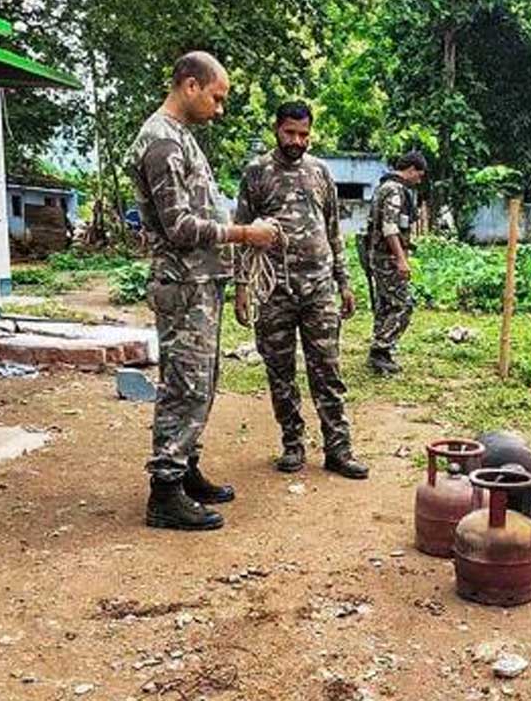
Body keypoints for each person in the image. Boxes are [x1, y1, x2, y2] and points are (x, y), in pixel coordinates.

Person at [125, 51, 279, 531]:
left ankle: (186, 468)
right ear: (190, 86)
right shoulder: (161, 145)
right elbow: (179, 226)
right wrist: (244, 234)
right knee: (184, 385)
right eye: (217, 97)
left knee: (203, 383)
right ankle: (165, 492)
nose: (220, 107)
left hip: (201, 281)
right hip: (183, 284)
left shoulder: (182, 140)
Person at [233, 101, 368, 479]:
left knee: (327, 370)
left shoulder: (320, 171)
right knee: (280, 370)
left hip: (320, 289)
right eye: (290, 133)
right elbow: (242, 232)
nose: (297, 141)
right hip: (273, 288)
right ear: (276, 129)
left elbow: (334, 231)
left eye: (304, 134)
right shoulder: (257, 173)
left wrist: (344, 282)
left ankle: (338, 449)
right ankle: (292, 444)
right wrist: (242, 287)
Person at [364, 151, 427, 374]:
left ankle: (380, 352)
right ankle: (381, 349)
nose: (418, 180)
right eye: (418, 175)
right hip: (387, 257)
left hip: (378, 255)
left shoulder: (384, 186)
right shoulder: (394, 190)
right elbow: (389, 227)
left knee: (385, 305)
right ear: (410, 169)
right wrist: (401, 259)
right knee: (403, 304)